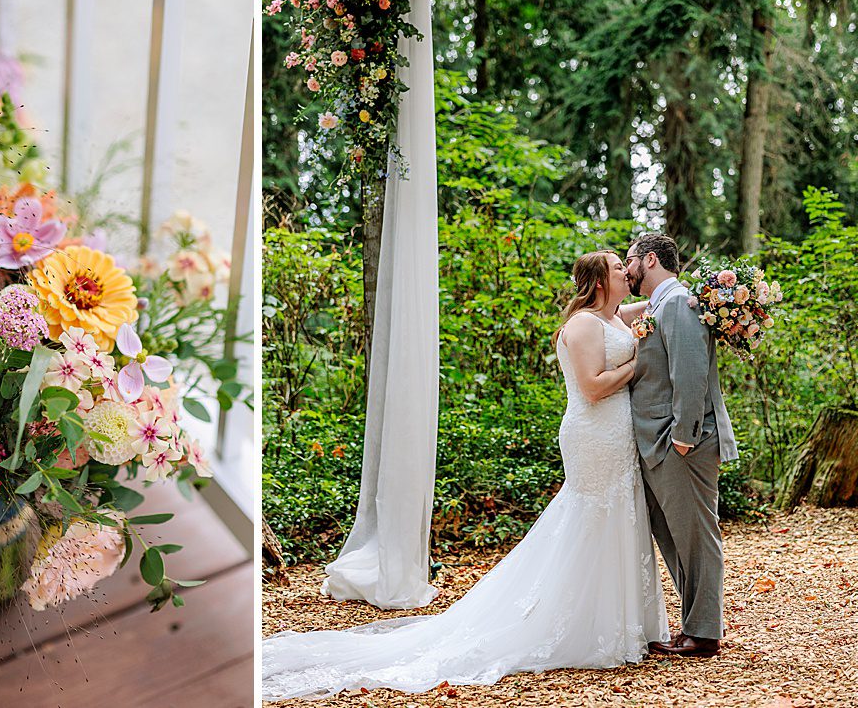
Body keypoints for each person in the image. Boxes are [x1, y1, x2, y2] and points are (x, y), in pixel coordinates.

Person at [262, 250, 668, 700]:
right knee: (592, 520)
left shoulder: (613, 316)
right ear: (597, 282)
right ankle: (582, 623)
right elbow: (592, 388)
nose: (625, 272)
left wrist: (707, 298)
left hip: (617, 437)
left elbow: (658, 303)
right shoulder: (585, 325)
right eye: (617, 267)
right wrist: (641, 363)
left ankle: (621, 620)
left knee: (617, 517)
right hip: (593, 435)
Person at [619, 233, 738, 657]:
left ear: (649, 260)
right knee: (673, 537)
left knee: (696, 537)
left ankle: (704, 633)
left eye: (629, 260)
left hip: (681, 444)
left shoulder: (679, 304)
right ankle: (694, 624)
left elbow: (690, 377)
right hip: (659, 445)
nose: (627, 269)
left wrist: (684, 439)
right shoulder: (658, 305)